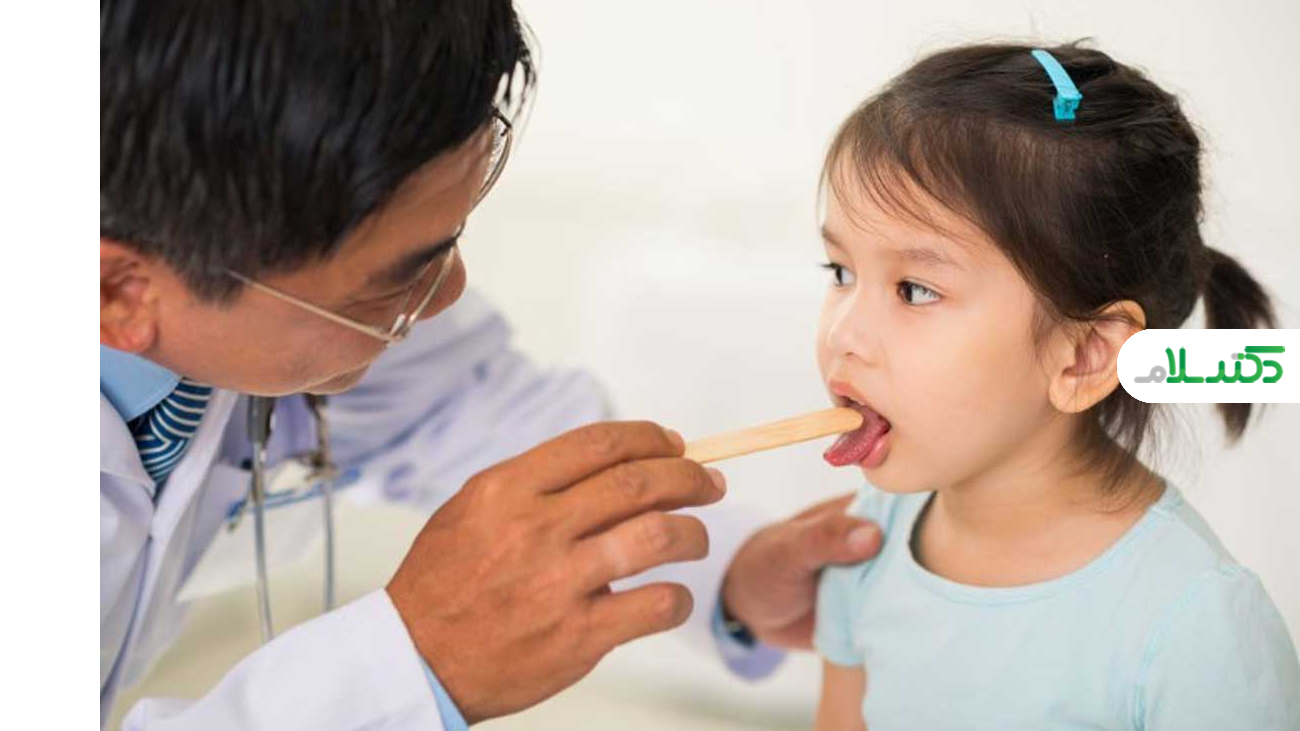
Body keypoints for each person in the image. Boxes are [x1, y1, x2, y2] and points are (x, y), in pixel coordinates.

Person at [100, 1, 884, 729]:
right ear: (120, 294)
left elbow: (464, 409)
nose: (448, 293)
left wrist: (736, 570)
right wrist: (411, 662)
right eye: (393, 279)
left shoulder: (248, 285)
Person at [809, 42, 1300, 730]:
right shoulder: (861, 543)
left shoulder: (1199, 630)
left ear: (1086, 357)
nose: (843, 334)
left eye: (915, 289)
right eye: (840, 273)